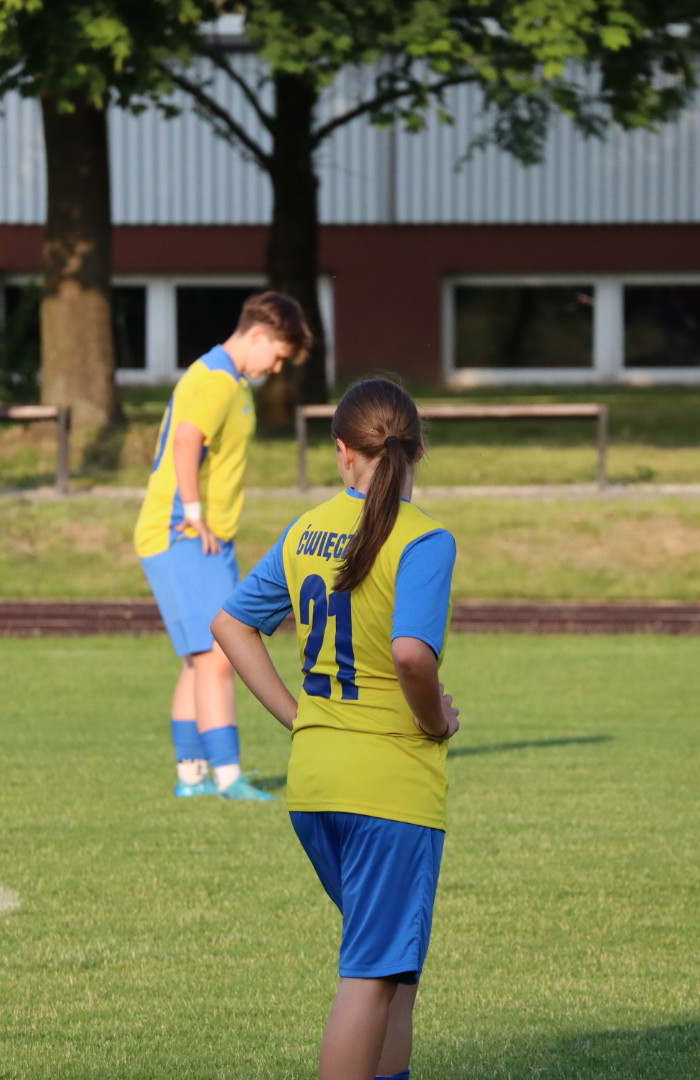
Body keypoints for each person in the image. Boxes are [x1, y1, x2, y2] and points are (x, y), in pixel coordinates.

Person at [211, 378, 460, 1080]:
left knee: (395, 974)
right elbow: (411, 654)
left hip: (317, 783)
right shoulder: (425, 538)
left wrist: (301, 718)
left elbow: (230, 624)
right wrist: (436, 719)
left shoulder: (306, 530)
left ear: (343, 452)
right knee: (372, 974)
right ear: (418, 450)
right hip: (388, 788)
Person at [134, 291, 309, 801]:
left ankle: (192, 776)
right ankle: (229, 777)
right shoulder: (214, 379)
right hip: (183, 532)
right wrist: (193, 513)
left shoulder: (229, 380)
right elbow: (186, 441)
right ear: (258, 334)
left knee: (201, 657)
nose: (276, 368)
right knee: (219, 655)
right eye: (277, 355)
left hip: (201, 536)